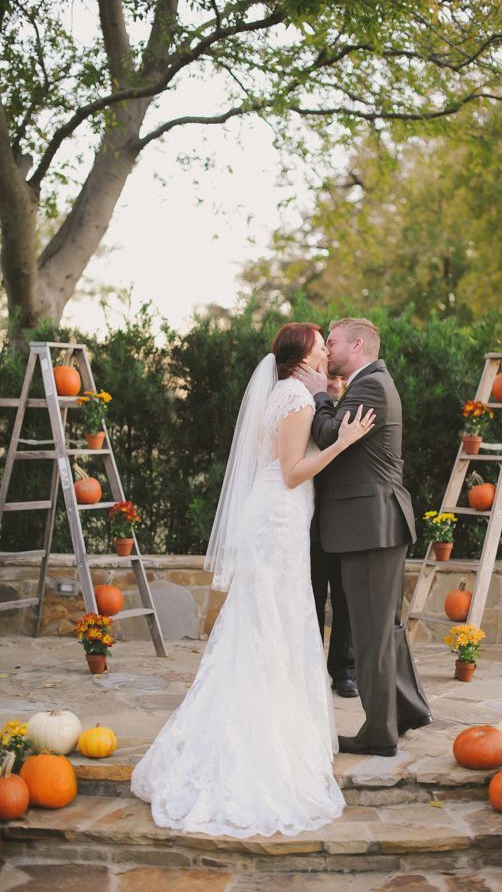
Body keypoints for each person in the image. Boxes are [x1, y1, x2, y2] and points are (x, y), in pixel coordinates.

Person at [131, 323, 374, 837]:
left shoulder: (293, 391)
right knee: (272, 622)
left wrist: (328, 398)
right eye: (318, 340)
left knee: (271, 622)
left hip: (279, 518)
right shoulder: (293, 398)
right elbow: (291, 471)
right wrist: (345, 441)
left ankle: (275, 725)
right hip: (278, 518)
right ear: (304, 355)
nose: (324, 346)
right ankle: (265, 736)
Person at [295, 317, 432, 757]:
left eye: (331, 343)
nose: (326, 351)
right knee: (385, 626)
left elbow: (331, 435)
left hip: (370, 526)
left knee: (372, 633)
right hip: (376, 523)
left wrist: (319, 394)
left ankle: (379, 733)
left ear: (357, 344)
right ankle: (407, 709)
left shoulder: (370, 386)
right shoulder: (368, 383)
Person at [311, 374, 357, 697]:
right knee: (311, 595)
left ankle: (344, 670)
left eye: (340, 377)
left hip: (344, 520)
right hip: (309, 517)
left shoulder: (355, 405)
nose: (336, 382)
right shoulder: (309, 407)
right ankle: (309, 668)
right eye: (330, 376)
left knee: (344, 597)